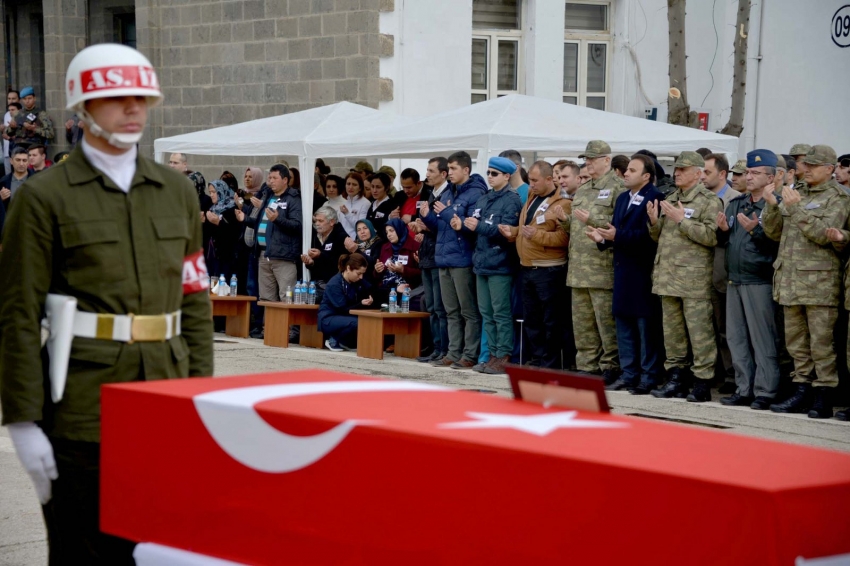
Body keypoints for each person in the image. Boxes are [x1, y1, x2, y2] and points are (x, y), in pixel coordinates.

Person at [0, 43, 213, 564]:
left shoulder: (175, 191)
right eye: (118, 97)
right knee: (85, 553)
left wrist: (202, 398)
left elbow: (195, 301)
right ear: (83, 109)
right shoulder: (45, 196)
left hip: (166, 397)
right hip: (82, 407)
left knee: (160, 551)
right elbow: (19, 315)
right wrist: (23, 422)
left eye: (142, 97)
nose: (134, 108)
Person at [767, 145, 850, 418]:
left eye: (814, 166)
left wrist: (796, 208)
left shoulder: (838, 197)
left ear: (829, 169)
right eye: (807, 165)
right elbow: (774, 232)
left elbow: (823, 234)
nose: (808, 169)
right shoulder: (797, 192)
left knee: (821, 344)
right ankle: (801, 389)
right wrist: (772, 207)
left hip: (819, 284)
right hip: (790, 280)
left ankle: (824, 394)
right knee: (796, 343)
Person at [586, 154, 665, 394]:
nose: (626, 173)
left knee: (645, 327)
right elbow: (615, 232)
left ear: (646, 176)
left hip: (642, 272)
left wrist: (616, 236)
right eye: (627, 169)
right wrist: (602, 239)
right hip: (621, 271)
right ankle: (629, 373)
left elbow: (651, 238)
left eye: (632, 170)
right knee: (624, 326)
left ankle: (649, 375)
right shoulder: (622, 199)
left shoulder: (656, 198)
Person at [648, 151, 722, 402]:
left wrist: (682, 220)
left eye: (683, 169)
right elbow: (661, 238)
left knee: (699, 333)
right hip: (668, 276)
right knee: (673, 334)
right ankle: (676, 378)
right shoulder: (671, 198)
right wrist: (654, 223)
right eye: (676, 169)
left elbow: (712, 237)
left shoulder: (709, 201)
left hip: (693, 280)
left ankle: (702, 382)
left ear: (698, 173)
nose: (677, 173)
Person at [716, 150, 781, 410]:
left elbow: (775, 246)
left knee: (762, 338)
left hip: (759, 279)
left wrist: (756, 233)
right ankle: (744, 389)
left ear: (771, 177)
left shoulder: (775, 206)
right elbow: (728, 241)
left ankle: (765, 390)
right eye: (748, 173)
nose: (749, 177)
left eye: (756, 173)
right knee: (737, 338)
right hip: (735, 279)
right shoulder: (737, 203)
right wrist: (722, 232)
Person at [564, 140, 625, 383]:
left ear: (606, 160)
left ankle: (610, 366)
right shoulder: (583, 188)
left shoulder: (618, 187)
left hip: (601, 267)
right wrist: (564, 221)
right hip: (578, 268)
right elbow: (577, 225)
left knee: (605, 323)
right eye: (586, 158)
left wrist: (594, 219)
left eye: (592, 158)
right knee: (583, 323)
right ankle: (587, 365)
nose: (587, 162)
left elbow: (617, 224)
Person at [421, 151, 486, 369]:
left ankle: (469, 354)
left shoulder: (475, 193)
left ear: (466, 170)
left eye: (454, 168)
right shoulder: (449, 192)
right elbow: (442, 225)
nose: (449, 173)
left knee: (468, 310)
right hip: (444, 257)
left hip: (462, 258)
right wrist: (427, 217)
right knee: (450, 311)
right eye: (448, 169)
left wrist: (448, 215)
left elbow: (469, 225)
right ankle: (453, 351)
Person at [502, 161, 570, 368]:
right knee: (532, 319)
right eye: (529, 180)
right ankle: (537, 358)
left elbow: (564, 238)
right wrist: (513, 233)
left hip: (549, 269)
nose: (530, 184)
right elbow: (527, 229)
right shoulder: (532, 198)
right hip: (527, 266)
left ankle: (549, 362)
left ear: (549, 179)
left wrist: (538, 235)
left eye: (534, 180)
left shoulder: (562, 203)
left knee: (550, 319)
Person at [465, 156, 522, 375]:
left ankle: (503, 355)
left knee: (501, 313)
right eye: (488, 173)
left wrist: (479, 226)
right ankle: (492, 354)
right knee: (487, 313)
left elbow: (506, 231)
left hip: (500, 263)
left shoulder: (512, 200)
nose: (490, 177)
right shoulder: (484, 198)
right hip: (482, 262)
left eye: (494, 173)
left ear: (507, 176)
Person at [703, 153, 740, 393]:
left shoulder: (735, 199)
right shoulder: (699, 198)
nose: (702, 176)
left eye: (707, 172)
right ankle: (714, 373)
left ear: (722, 174)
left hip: (723, 273)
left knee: (728, 329)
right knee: (709, 328)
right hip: (699, 274)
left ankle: (732, 376)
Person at [247, 163, 302, 308]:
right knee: (266, 297)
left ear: (285, 180)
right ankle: (270, 330)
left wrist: (278, 219)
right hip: (264, 255)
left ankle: (290, 331)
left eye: (274, 178)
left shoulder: (293, 198)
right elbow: (262, 223)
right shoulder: (268, 196)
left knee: (287, 297)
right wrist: (244, 219)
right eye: (269, 177)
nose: (270, 181)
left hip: (283, 256)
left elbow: (297, 225)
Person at [415, 156, 451, 363]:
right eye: (427, 170)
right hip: (427, 253)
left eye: (431, 170)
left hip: (439, 257)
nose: (427, 174)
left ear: (443, 174)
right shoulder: (430, 193)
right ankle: (436, 347)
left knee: (440, 307)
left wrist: (427, 226)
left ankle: (444, 349)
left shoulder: (447, 195)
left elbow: (444, 227)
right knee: (431, 306)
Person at [318, 253, 374, 351]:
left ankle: (345, 342)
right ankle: (334, 340)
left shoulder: (356, 280)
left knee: (368, 320)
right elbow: (342, 308)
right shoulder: (335, 283)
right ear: (348, 269)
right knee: (357, 322)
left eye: (363, 274)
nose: (361, 277)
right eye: (358, 273)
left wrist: (369, 297)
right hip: (329, 317)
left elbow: (371, 288)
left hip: (343, 316)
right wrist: (361, 304)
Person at [301, 205, 348, 303]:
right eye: (316, 221)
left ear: (331, 222)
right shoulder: (316, 237)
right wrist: (310, 263)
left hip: (334, 284)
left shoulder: (341, 237)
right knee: (297, 295)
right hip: (317, 283)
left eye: (320, 221)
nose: (317, 224)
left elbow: (339, 264)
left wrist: (320, 255)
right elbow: (318, 267)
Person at [373, 218, 421, 305]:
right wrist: (377, 270)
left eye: (391, 231)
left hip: (404, 289)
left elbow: (422, 274)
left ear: (399, 229)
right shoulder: (385, 247)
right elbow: (377, 276)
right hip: (385, 288)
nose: (389, 235)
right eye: (387, 232)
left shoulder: (415, 246)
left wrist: (403, 270)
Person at [203, 180, 240, 280]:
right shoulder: (212, 209)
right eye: (210, 192)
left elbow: (234, 232)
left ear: (221, 191)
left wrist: (219, 223)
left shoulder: (232, 208)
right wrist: (204, 221)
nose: (211, 195)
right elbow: (209, 233)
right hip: (213, 255)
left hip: (227, 256)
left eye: (214, 192)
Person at [5, 86, 54, 151]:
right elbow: (8, 132)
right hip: (18, 147)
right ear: (22, 100)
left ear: (34, 98)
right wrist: (12, 128)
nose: (27, 101)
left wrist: (34, 129)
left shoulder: (41, 114)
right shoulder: (17, 114)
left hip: (35, 147)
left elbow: (50, 133)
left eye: (29, 98)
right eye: (24, 99)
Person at [339, 172, 371, 238]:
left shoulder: (365, 203)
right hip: (341, 241)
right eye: (348, 184)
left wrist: (347, 214)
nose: (350, 187)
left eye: (354, 184)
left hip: (355, 242)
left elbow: (361, 227)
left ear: (360, 188)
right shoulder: (344, 203)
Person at [3, 90, 20, 174]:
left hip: (18, 151)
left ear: (19, 100)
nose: (11, 101)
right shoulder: (6, 114)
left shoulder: (22, 114)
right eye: (9, 98)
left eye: (13, 98)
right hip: (7, 151)